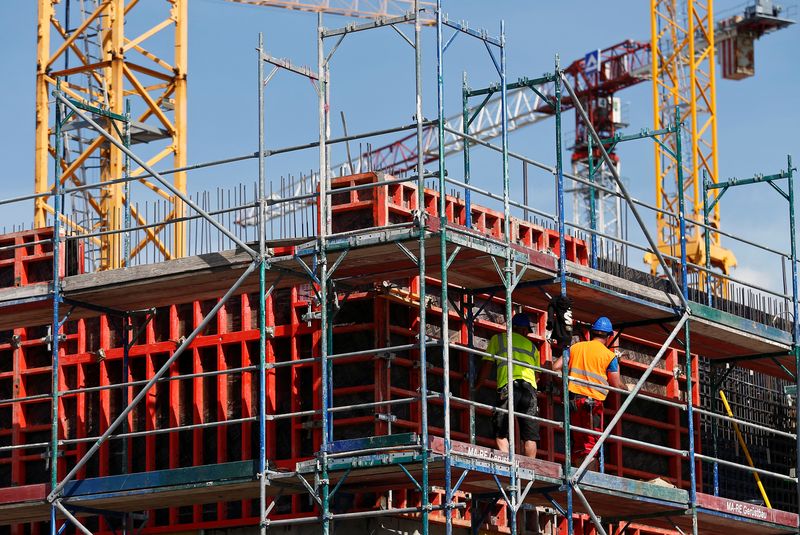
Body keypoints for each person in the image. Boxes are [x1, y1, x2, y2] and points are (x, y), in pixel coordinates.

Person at [552, 316, 624, 470]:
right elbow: (615, 384)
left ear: (592, 333)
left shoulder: (576, 347)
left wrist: (564, 387)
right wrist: (628, 389)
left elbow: (555, 367)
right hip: (593, 405)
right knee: (592, 444)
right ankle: (589, 481)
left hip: (573, 402)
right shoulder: (609, 356)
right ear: (608, 336)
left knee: (579, 444)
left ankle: (579, 477)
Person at [477, 312, 540, 458]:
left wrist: (477, 386)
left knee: (500, 432)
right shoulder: (533, 348)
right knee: (530, 436)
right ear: (524, 330)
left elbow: (487, 365)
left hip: (509, 386)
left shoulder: (498, 339)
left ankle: (508, 464)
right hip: (529, 391)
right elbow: (537, 376)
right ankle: (529, 468)